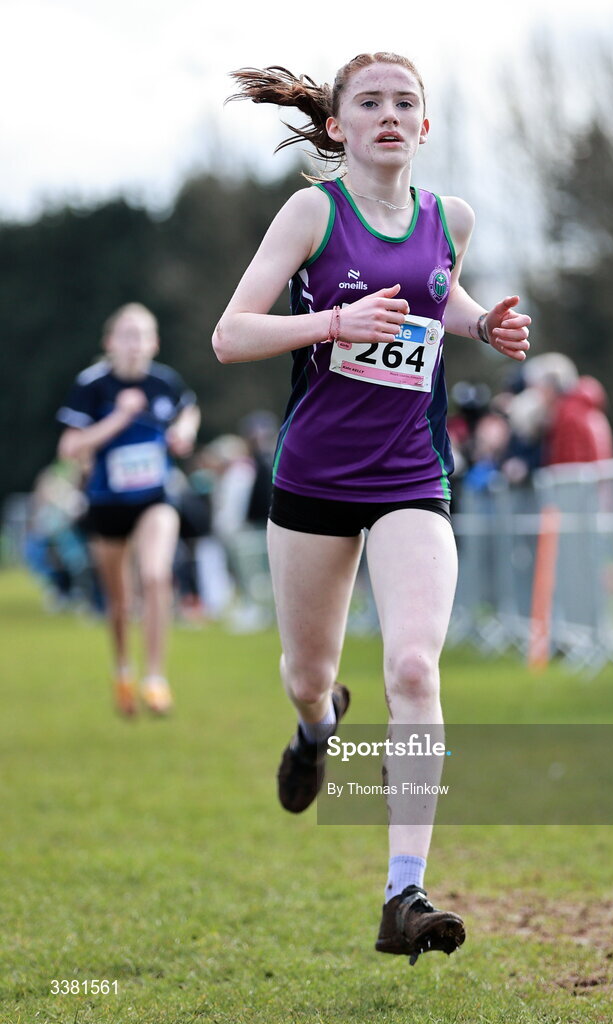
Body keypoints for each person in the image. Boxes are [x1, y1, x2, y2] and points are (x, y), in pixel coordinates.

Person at [213, 52, 530, 964]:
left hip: (410, 476)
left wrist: (481, 325)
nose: (389, 115)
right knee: (307, 673)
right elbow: (230, 333)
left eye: (405, 103)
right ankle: (316, 728)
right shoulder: (314, 210)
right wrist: (329, 323)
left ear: (424, 127)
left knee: (417, 669)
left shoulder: (450, 218)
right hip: (313, 480)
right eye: (369, 103)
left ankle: (404, 892)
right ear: (338, 126)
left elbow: (443, 296)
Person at [57, 303, 201, 716]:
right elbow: (70, 448)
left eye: (142, 335)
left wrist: (183, 433)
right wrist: (119, 418)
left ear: (154, 343)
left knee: (156, 575)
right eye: (126, 334)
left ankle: (155, 678)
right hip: (105, 505)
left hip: (154, 499)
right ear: (109, 343)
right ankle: (123, 669)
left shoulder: (165, 382)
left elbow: (189, 410)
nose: (135, 344)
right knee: (120, 602)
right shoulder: (92, 386)